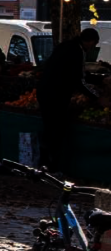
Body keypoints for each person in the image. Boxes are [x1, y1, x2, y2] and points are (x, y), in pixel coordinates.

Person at [37, 27, 100, 171]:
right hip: (55, 95)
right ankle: (53, 167)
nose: (93, 48)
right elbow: (78, 80)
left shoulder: (65, 46)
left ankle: (43, 163)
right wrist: (96, 97)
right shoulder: (76, 51)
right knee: (56, 130)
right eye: (94, 45)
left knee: (48, 128)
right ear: (89, 42)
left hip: (45, 91)